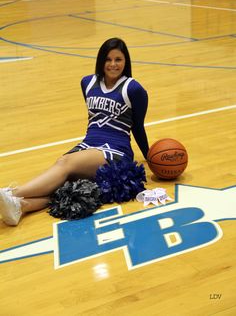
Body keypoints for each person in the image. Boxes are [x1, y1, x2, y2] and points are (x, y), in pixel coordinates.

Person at [0, 37, 149, 226]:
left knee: (65, 163)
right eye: (108, 59)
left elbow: (138, 126)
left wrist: (149, 156)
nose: (113, 64)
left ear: (125, 61)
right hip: (89, 144)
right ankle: (20, 206)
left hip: (115, 151)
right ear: (101, 60)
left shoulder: (134, 89)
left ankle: (11, 194)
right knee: (63, 185)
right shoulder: (87, 83)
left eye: (118, 59)